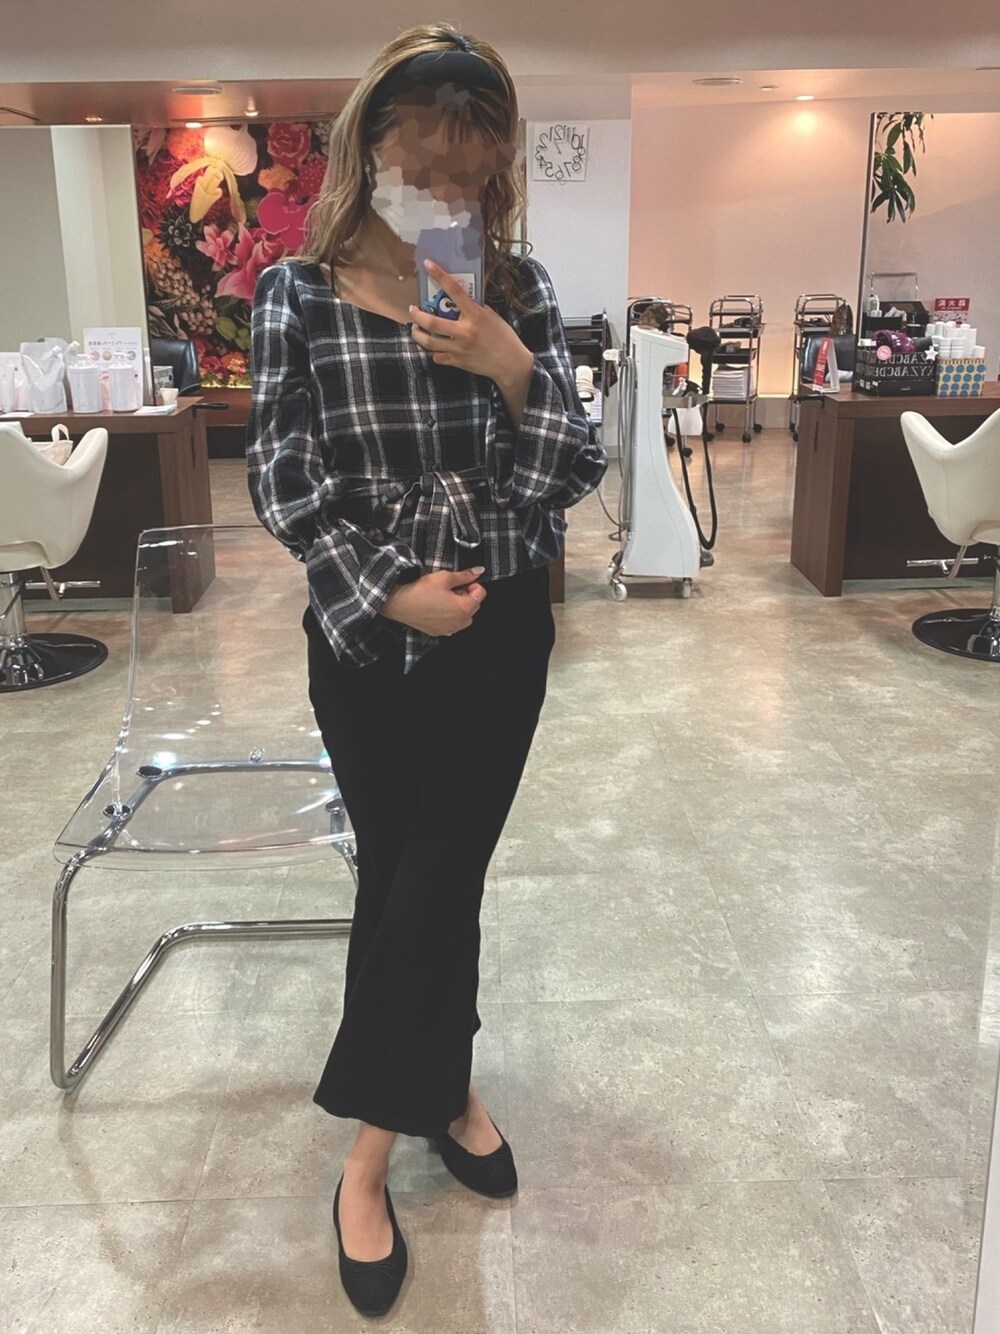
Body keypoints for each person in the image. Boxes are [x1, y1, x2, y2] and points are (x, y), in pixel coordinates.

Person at [247, 21, 607, 1319]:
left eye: (469, 174)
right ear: (369, 153)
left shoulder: (517, 290)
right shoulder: (295, 295)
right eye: (421, 167)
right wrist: (388, 588)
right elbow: (283, 477)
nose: (444, 193)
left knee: (436, 878)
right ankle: (443, 1091)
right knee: (404, 880)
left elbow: (567, 472)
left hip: (500, 639)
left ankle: (364, 1157)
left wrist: (508, 364)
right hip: (364, 640)